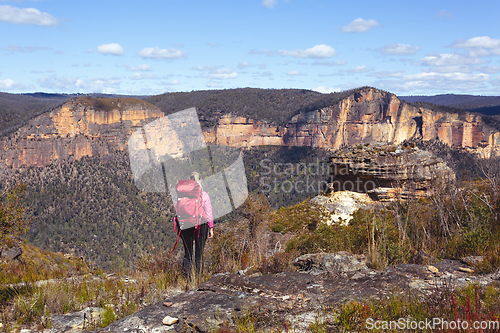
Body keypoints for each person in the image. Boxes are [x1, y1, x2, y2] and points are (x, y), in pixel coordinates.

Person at [178, 172, 213, 278]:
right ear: (200, 180)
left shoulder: (182, 195)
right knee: (199, 254)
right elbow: (209, 213)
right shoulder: (204, 195)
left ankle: (186, 279)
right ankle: (198, 278)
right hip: (201, 226)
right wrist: (211, 227)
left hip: (185, 225)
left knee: (187, 254)